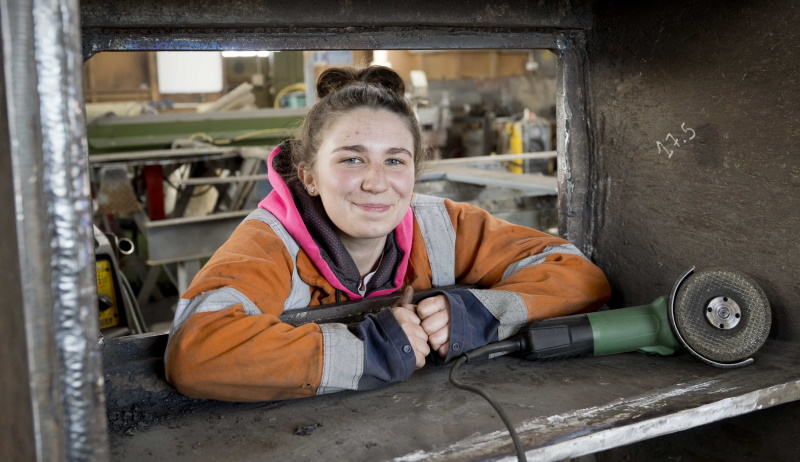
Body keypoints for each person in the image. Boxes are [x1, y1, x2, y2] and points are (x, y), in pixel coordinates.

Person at [165, 66, 610, 402]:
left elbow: (579, 276)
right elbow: (195, 353)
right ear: (309, 176)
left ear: (414, 171)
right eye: (351, 160)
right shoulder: (270, 242)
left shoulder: (441, 225)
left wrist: (481, 313)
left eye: (395, 160)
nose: (377, 182)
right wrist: (366, 351)